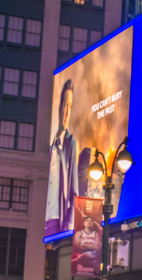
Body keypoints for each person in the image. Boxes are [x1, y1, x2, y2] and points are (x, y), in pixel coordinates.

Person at [47, 80, 80, 233]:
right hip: (43, 220)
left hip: (56, 222)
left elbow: (75, 195)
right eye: (65, 105)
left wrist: (67, 225)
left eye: (70, 106)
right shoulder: (51, 145)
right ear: (59, 108)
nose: (67, 112)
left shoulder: (71, 143)